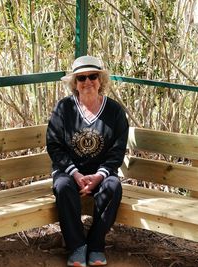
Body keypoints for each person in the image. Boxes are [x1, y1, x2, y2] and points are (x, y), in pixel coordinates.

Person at [46, 55, 129, 266]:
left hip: (101, 172)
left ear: (101, 79)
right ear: (75, 83)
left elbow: (117, 152)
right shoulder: (63, 109)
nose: (87, 82)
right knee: (63, 186)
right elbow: (54, 146)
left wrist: (99, 176)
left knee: (113, 186)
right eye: (81, 78)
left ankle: (95, 245)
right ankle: (77, 247)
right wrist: (75, 173)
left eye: (93, 76)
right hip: (69, 172)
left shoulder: (115, 112)